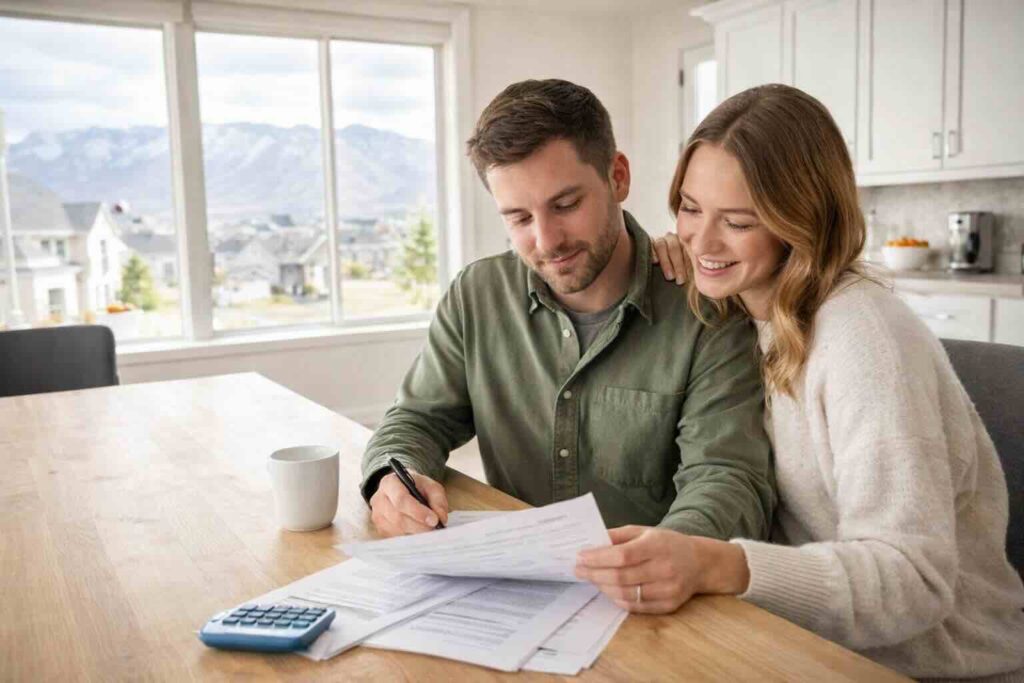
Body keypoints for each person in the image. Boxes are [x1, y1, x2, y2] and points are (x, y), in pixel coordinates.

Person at [575, 83, 1024, 680]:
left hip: (934, 665)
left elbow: (915, 581)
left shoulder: (864, 339)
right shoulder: (743, 307)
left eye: (737, 221)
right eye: (689, 207)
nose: (702, 240)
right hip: (800, 643)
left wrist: (723, 566)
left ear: (800, 221)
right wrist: (671, 255)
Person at [360, 79, 775, 544]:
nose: (547, 240)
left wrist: (670, 553)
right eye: (519, 218)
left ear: (618, 177)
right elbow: (418, 418)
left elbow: (725, 477)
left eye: (566, 204)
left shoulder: (705, 309)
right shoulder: (477, 295)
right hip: (511, 582)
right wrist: (394, 477)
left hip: (651, 596)